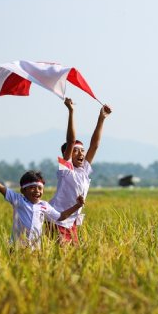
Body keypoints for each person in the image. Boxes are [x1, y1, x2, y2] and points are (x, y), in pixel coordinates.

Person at [0, 163, 84, 249]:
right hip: (17, 248)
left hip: (35, 250)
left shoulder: (44, 205)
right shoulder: (18, 200)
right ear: (23, 190)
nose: (37, 191)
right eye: (32, 187)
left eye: (40, 188)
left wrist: (77, 205)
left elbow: (60, 216)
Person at [48, 97, 112, 244]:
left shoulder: (84, 171)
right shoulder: (66, 170)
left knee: (74, 257)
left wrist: (101, 118)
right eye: (76, 151)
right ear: (68, 155)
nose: (81, 154)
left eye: (82, 151)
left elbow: (94, 145)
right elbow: (71, 141)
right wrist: (71, 111)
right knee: (61, 254)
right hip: (57, 219)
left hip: (72, 222)